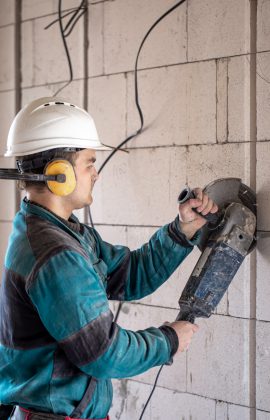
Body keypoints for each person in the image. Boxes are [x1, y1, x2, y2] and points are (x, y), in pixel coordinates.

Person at [0, 97, 218, 420]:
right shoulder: (54, 254)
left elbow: (129, 275)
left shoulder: (59, 232)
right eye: (89, 162)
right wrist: (169, 340)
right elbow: (102, 352)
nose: (96, 174)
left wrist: (182, 230)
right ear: (60, 174)